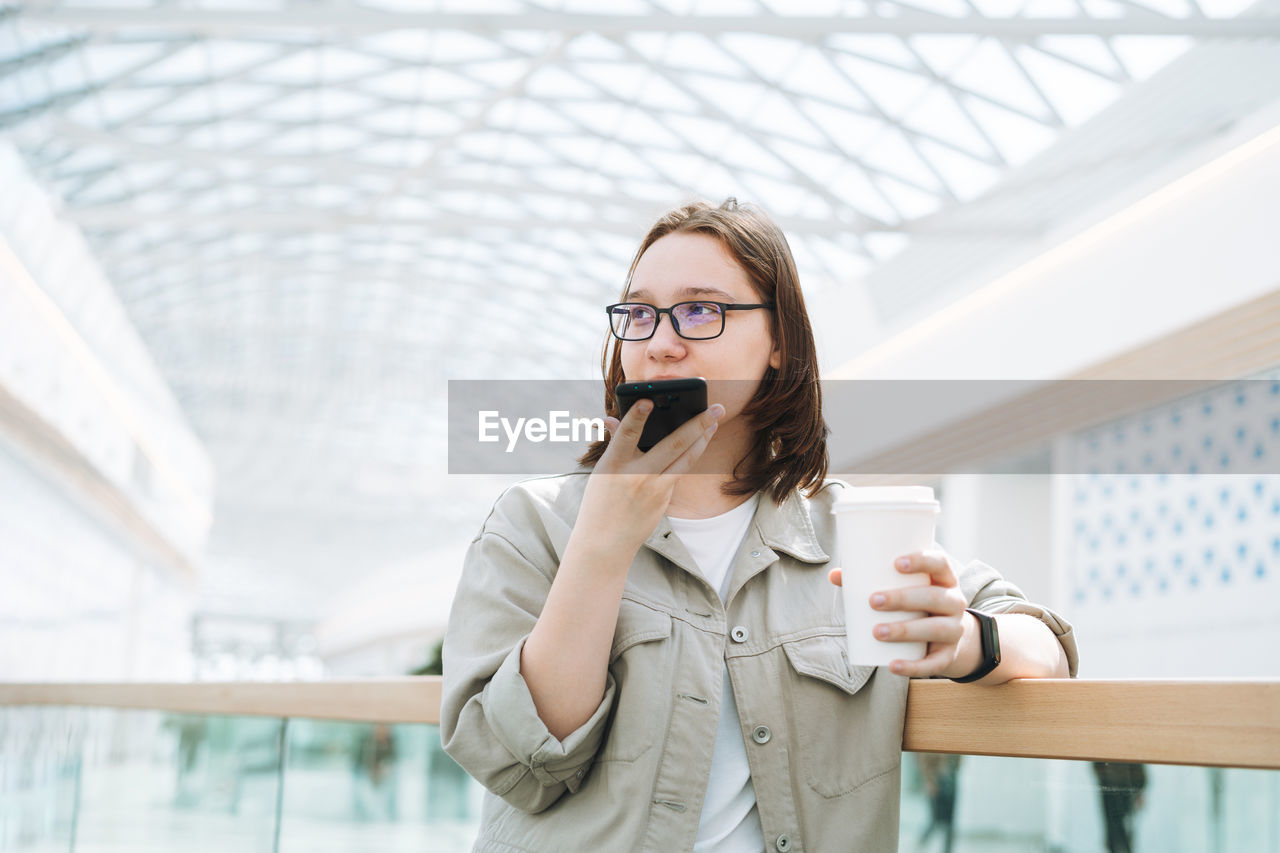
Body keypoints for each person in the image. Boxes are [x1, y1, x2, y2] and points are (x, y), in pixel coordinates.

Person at [441, 198, 1078, 852]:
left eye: (699, 309)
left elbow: (1049, 647)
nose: (660, 342)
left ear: (778, 342)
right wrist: (601, 545)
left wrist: (970, 641)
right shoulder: (535, 524)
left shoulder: (847, 528)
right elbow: (521, 763)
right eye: (639, 313)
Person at [1092, 761, 1147, 853]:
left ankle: (1119, 846)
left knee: (1122, 825)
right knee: (1116, 826)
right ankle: (1116, 845)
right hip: (1111, 783)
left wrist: (1140, 790)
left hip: (1124, 784)